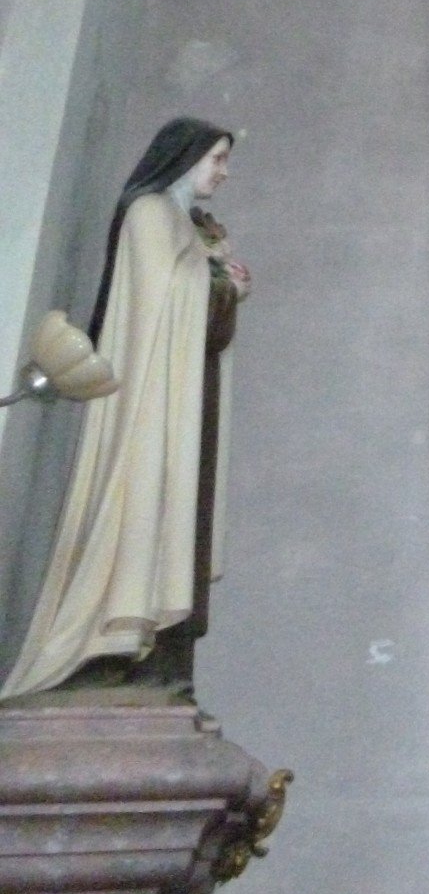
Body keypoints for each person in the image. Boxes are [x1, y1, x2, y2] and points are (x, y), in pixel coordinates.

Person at [4, 119, 251, 699]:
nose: (223, 172)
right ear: (186, 158)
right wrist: (222, 285)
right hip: (151, 401)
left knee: (180, 509)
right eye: (217, 159)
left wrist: (222, 284)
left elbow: (195, 307)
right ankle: (112, 640)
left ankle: (163, 655)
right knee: (141, 501)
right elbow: (162, 302)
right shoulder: (149, 214)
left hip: (187, 392)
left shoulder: (185, 223)